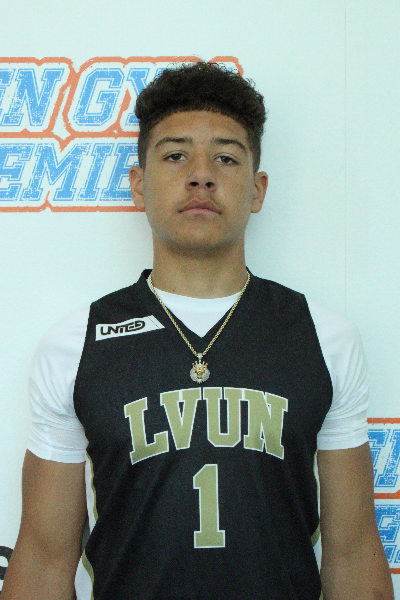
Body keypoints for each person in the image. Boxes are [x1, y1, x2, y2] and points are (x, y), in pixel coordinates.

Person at [2, 61, 394, 600]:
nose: (201, 175)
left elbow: (352, 553)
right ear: (138, 185)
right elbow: (45, 560)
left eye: (226, 157)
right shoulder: (74, 345)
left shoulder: (324, 338)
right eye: (175, 155)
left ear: (257, 189)